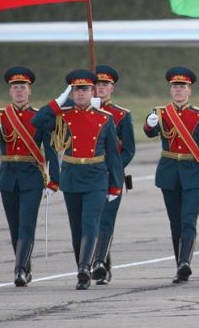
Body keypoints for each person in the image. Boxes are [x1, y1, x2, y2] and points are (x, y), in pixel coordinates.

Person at [32, 69, 123, 290]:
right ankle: (81, 267)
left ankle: (84, 268)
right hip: (72, 176)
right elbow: (37, 120)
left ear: (92, 92)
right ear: (71, 93)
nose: (80, 93)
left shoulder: (105, 118)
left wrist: (115, 185)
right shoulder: (62, 116)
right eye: (76, 90)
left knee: (91, 222)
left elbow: (113, 155)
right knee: (76, 228)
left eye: (85, 89)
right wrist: (58, 102)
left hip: (96, 177)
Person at [0, 67, 59, 287]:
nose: (19, 91)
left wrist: (54, 179)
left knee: (26, 225)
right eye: (15, 87)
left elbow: (50, 150)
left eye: (23, 87)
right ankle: (25, 265)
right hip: (7, 177)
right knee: (14, 227)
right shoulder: (0, 115)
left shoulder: (39, 116)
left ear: (29, 91)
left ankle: (20, 270)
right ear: (10, 91)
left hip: (31, 177)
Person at [144, 67, 199, 283]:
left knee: (188, 219)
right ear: (170, 90)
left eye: (182, 87)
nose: (178, 90)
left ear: (189, 90)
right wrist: (149, 124)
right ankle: (180, 264)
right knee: (175, 223)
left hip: (192, 174)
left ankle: (185, 262)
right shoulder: (161, 113)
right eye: (175, 86)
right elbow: (151, 132)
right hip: (169, 173)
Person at [90, 65, 136, 285]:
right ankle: (103, 265)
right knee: (92, 221)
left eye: (105, 84)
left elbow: (128, 150)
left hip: (111, 176)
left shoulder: (121, 115)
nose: (101, 88)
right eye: (97, 84)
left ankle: (99, 262)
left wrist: (113, 168)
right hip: (88, 175)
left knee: (106, 219)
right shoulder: (82, 113)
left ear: (112, 88)